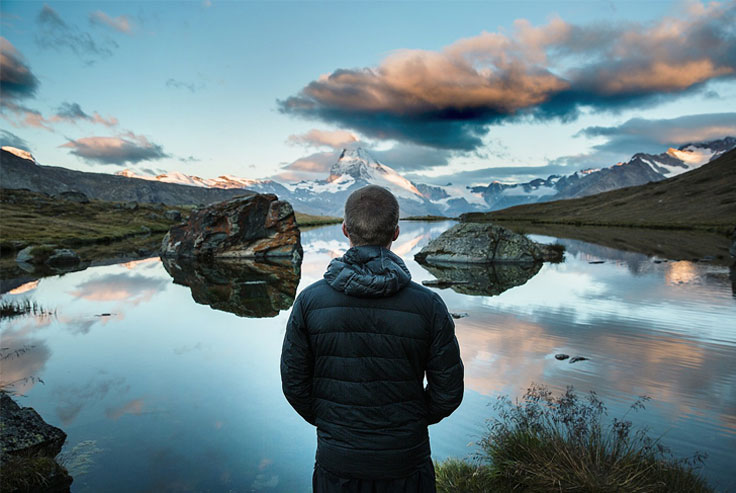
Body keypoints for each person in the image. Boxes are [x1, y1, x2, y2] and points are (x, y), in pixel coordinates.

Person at [280, 185, 464, 492]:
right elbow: (448, 392)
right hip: (407, 463)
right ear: (395, 232)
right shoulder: (428, 305)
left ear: (345, 230)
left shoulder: (309, 302)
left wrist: (333, 425)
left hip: (337, 464)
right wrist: (411, 422)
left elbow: (294, 385)